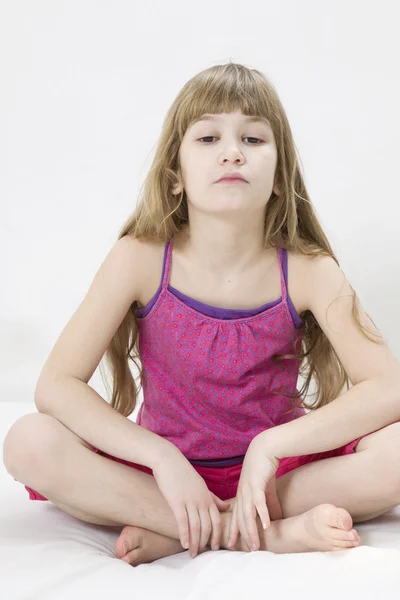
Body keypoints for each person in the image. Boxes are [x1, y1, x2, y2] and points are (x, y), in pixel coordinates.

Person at [4, 62, 400, 567]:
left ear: (279, 178)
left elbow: (387, 387)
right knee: (27, 442)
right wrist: (161, 458)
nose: (232, 151)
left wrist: (271, 447)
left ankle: (187, 528)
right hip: (162, 478)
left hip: (278, 477)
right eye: (209, 137)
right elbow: (55, 385)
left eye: (253, 139)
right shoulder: (141, 256)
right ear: (175, 177)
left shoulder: (307, 269)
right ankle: (256, 532)